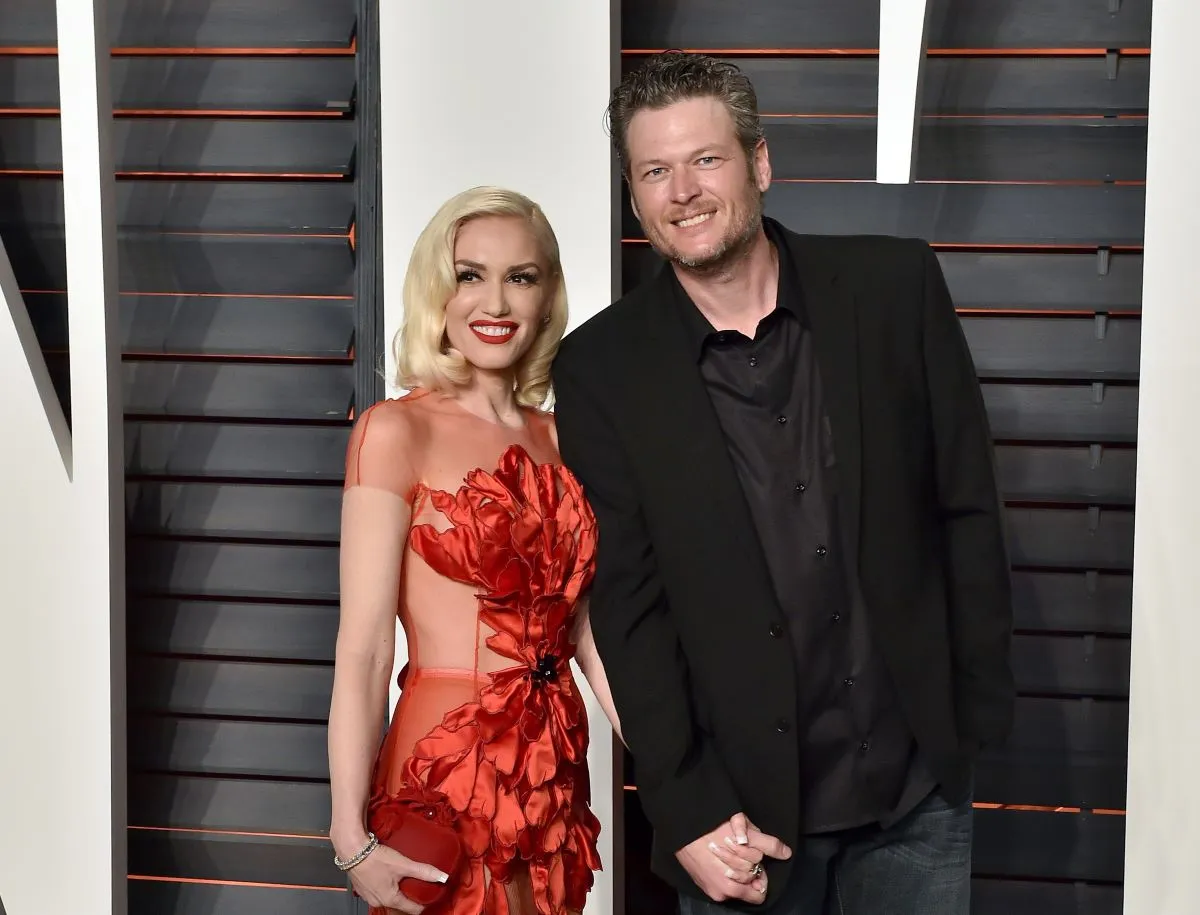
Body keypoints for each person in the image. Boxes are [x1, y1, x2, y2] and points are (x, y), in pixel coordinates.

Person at [551, 52, 1015, 915]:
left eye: (706, 159)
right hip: (742, 821)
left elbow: (965, 504)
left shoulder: (895, 287)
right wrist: (685, 807)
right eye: (654, 171)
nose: (682, 191)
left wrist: (970, 723)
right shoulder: (598, 369)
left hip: (917, 794)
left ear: (759, 163)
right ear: (634, 195)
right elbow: (628, 607)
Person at [327, 186, 623, 915]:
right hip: (445, 761)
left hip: (553, 763)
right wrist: (349, 836)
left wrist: (680, 767)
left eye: (520, 277)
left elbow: (585, 628)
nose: (495, 302)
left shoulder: (562, 438)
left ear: (547, 298)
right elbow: (365, 648)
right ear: (439, 290)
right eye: (470, 275)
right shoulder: (395, 431)